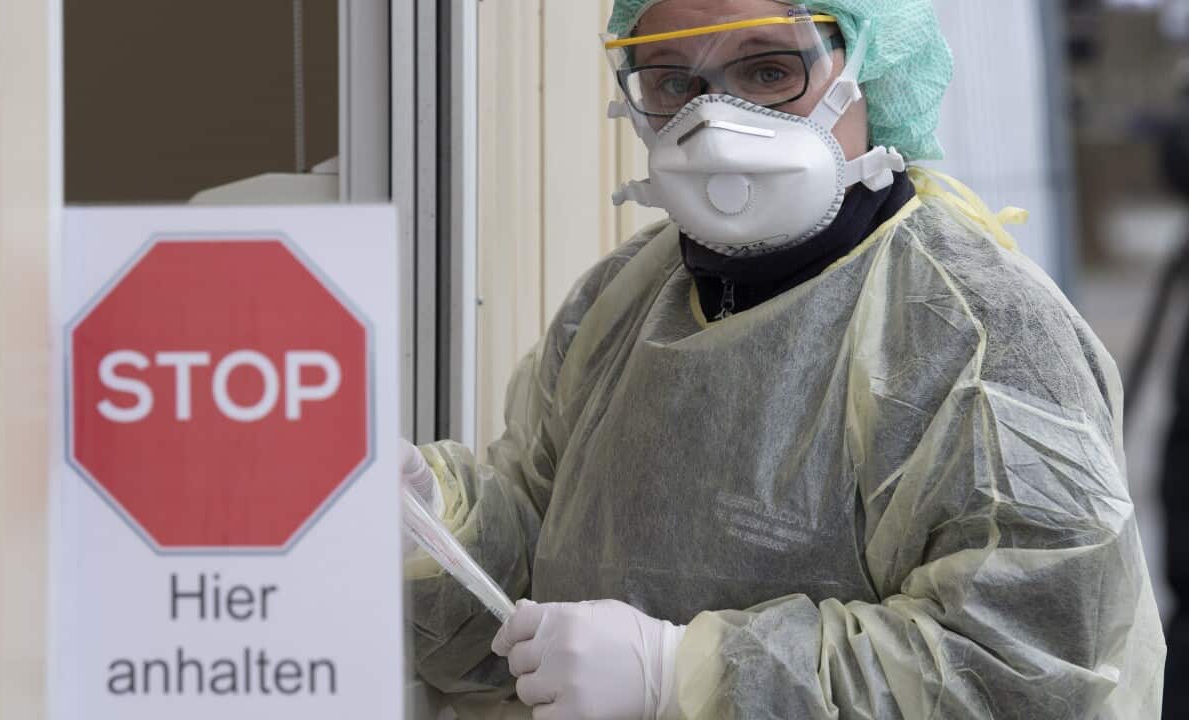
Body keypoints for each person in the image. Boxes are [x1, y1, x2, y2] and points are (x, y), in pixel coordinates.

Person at [404, 1, 1166, 717]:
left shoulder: (979, 334)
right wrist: (432, 534)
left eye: (770, 71)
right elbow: (517, 604)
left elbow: (1029, 670)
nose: (715, 120)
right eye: (673, 82)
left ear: (872, 68)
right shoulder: (620, 302)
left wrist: (682, 674)